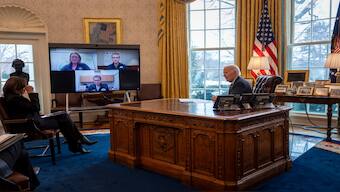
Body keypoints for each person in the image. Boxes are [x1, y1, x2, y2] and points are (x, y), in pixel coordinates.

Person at [3, 77, 97, 154]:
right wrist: (32, 93)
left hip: (34, 120)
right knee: (64, 120)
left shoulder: (11, 97)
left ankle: (77, 143)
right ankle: (77, 142)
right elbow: (36, 107)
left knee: (63, 115)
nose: (24, 89)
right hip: (31, 124)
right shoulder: (14, 99)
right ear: (17, 88)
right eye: (23, 87)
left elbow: (31, 109)